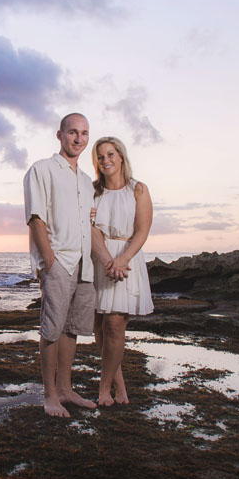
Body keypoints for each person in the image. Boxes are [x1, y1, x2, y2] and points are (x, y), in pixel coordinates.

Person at [23, 113, 120, 417]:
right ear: (60, 135)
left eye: (84, 133)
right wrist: (48, 260)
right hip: (59, 262)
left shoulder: (85, 181)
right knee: (51, 329)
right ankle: (50, 395)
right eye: (73, 133)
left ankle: (65, 389)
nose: (79, 139)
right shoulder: (41, 170)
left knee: (71, 330)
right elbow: (35, 217)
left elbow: (89, 223)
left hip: (84, 266)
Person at [89, 136, 154, 406]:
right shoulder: (92, 191)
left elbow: (142, 231)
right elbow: (90, 229)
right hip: (99, 260)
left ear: (121, 156)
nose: (106, 160)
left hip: (128, 261)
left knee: (115, 325)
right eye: (101, 156)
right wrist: (107, 260)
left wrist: (122, 260)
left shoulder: (138, 190)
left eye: (111, 154)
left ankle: (104, 389)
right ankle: (120, 386)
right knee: (100, 328)